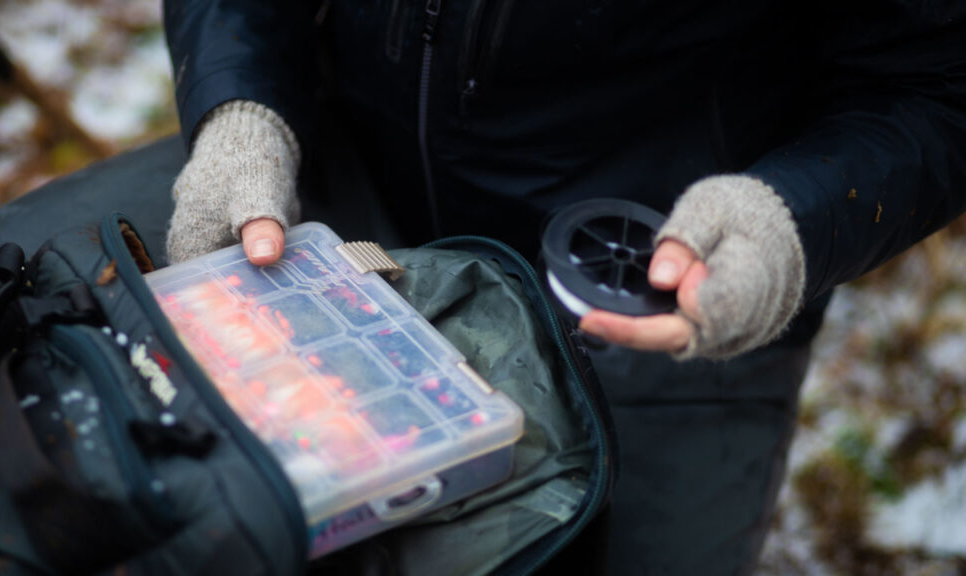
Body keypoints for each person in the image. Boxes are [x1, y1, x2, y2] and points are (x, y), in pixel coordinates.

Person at [161, 1, 966, 573]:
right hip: (352, 233)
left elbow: (938, 87)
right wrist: (243, 105)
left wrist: (792, 221)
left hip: (652, 320)